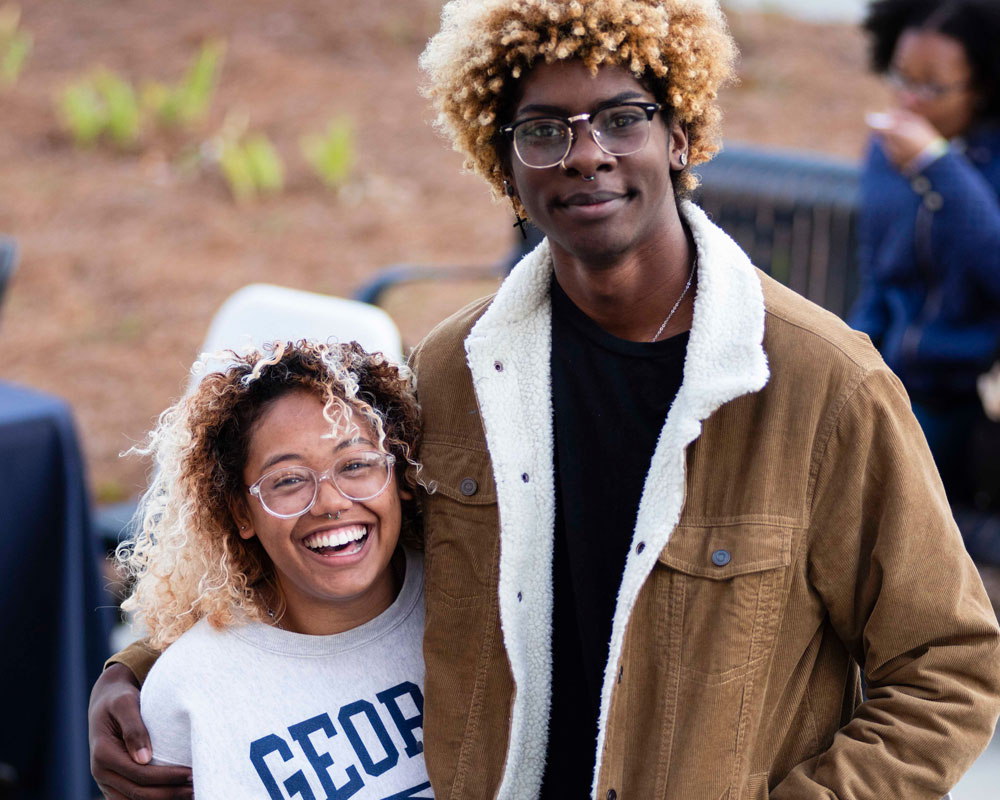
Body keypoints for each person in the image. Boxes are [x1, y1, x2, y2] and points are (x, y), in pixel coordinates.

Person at [90, 2, 1000, 798]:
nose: (586, 155)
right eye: (543, 131)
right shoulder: (457, 371)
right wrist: (146, 670)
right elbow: (344, 551)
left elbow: (948, 667)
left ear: (679, 136)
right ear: (506, 167)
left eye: (622, 118)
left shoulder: (823, 385)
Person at [94, 340, 429, 798]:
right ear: (241, 514)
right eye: (288, 480)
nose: (331, 503)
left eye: (356, 464)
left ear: (402, 476)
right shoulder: (188, 693)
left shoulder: (470, 602)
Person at [848, 0, 1000, 536]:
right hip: (884, 376)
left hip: (960, 394)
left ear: (981, 86)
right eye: (901, 77)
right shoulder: (884, 148)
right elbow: (878, 271)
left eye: (932, 86)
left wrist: (938, 167)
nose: (909, 98)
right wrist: (851, 354)